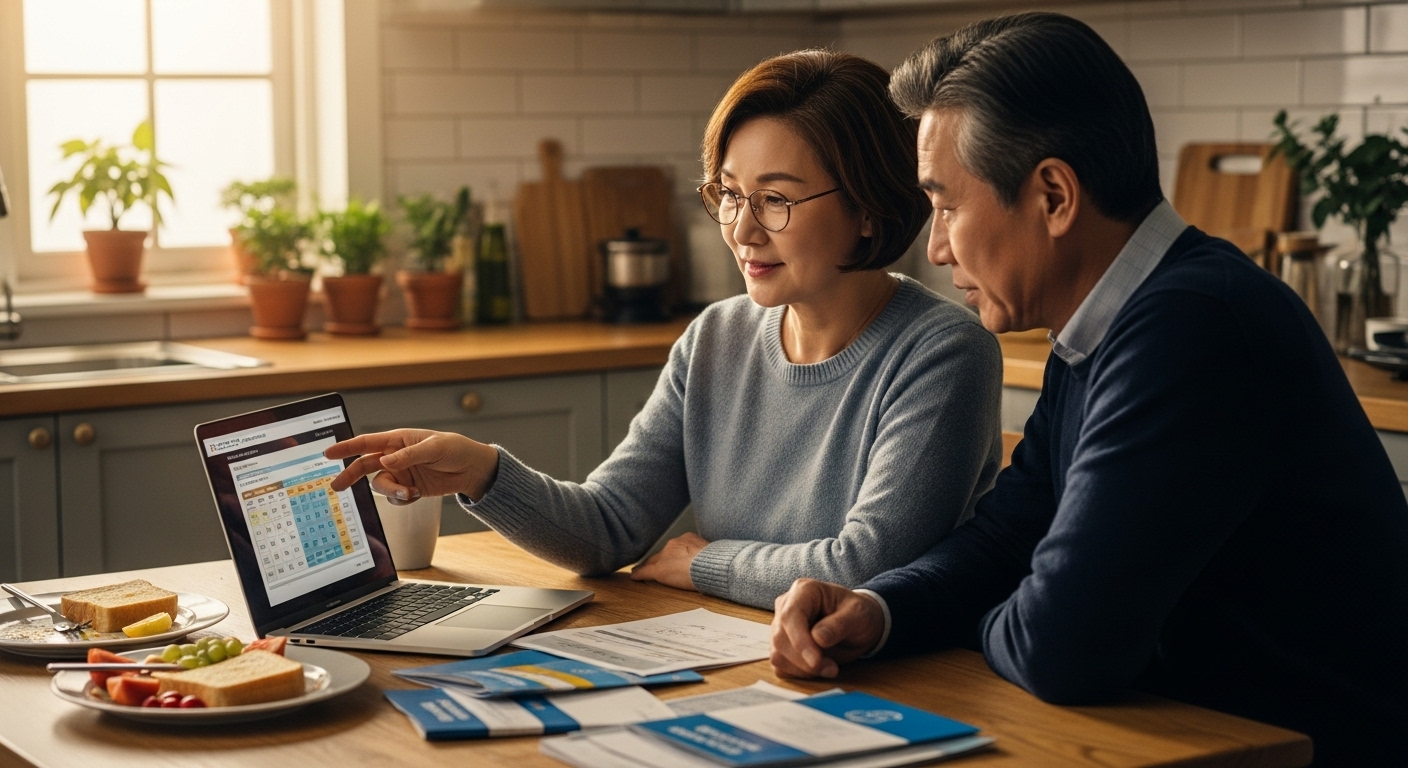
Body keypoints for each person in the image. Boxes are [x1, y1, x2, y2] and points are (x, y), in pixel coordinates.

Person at [768, 13, 1408, 766]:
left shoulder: (1191, 327)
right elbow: (1011, 534)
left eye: (945, 205)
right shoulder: (1109, 321)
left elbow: (1062, 648)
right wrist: (878, 609)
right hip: (1183, 734)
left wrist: (999, 610)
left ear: (1054, 195)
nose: (935, 248)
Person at [325, 50, 1003, 611]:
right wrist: (483, 473)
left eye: (775, 199)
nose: (740, 229)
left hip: (893, 689)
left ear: (869, 207)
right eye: (730, 194)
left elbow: (865, 566)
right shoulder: (717, 338)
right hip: (735, 661)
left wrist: (707, 563)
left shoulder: (943, 352)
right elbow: (609, 528)